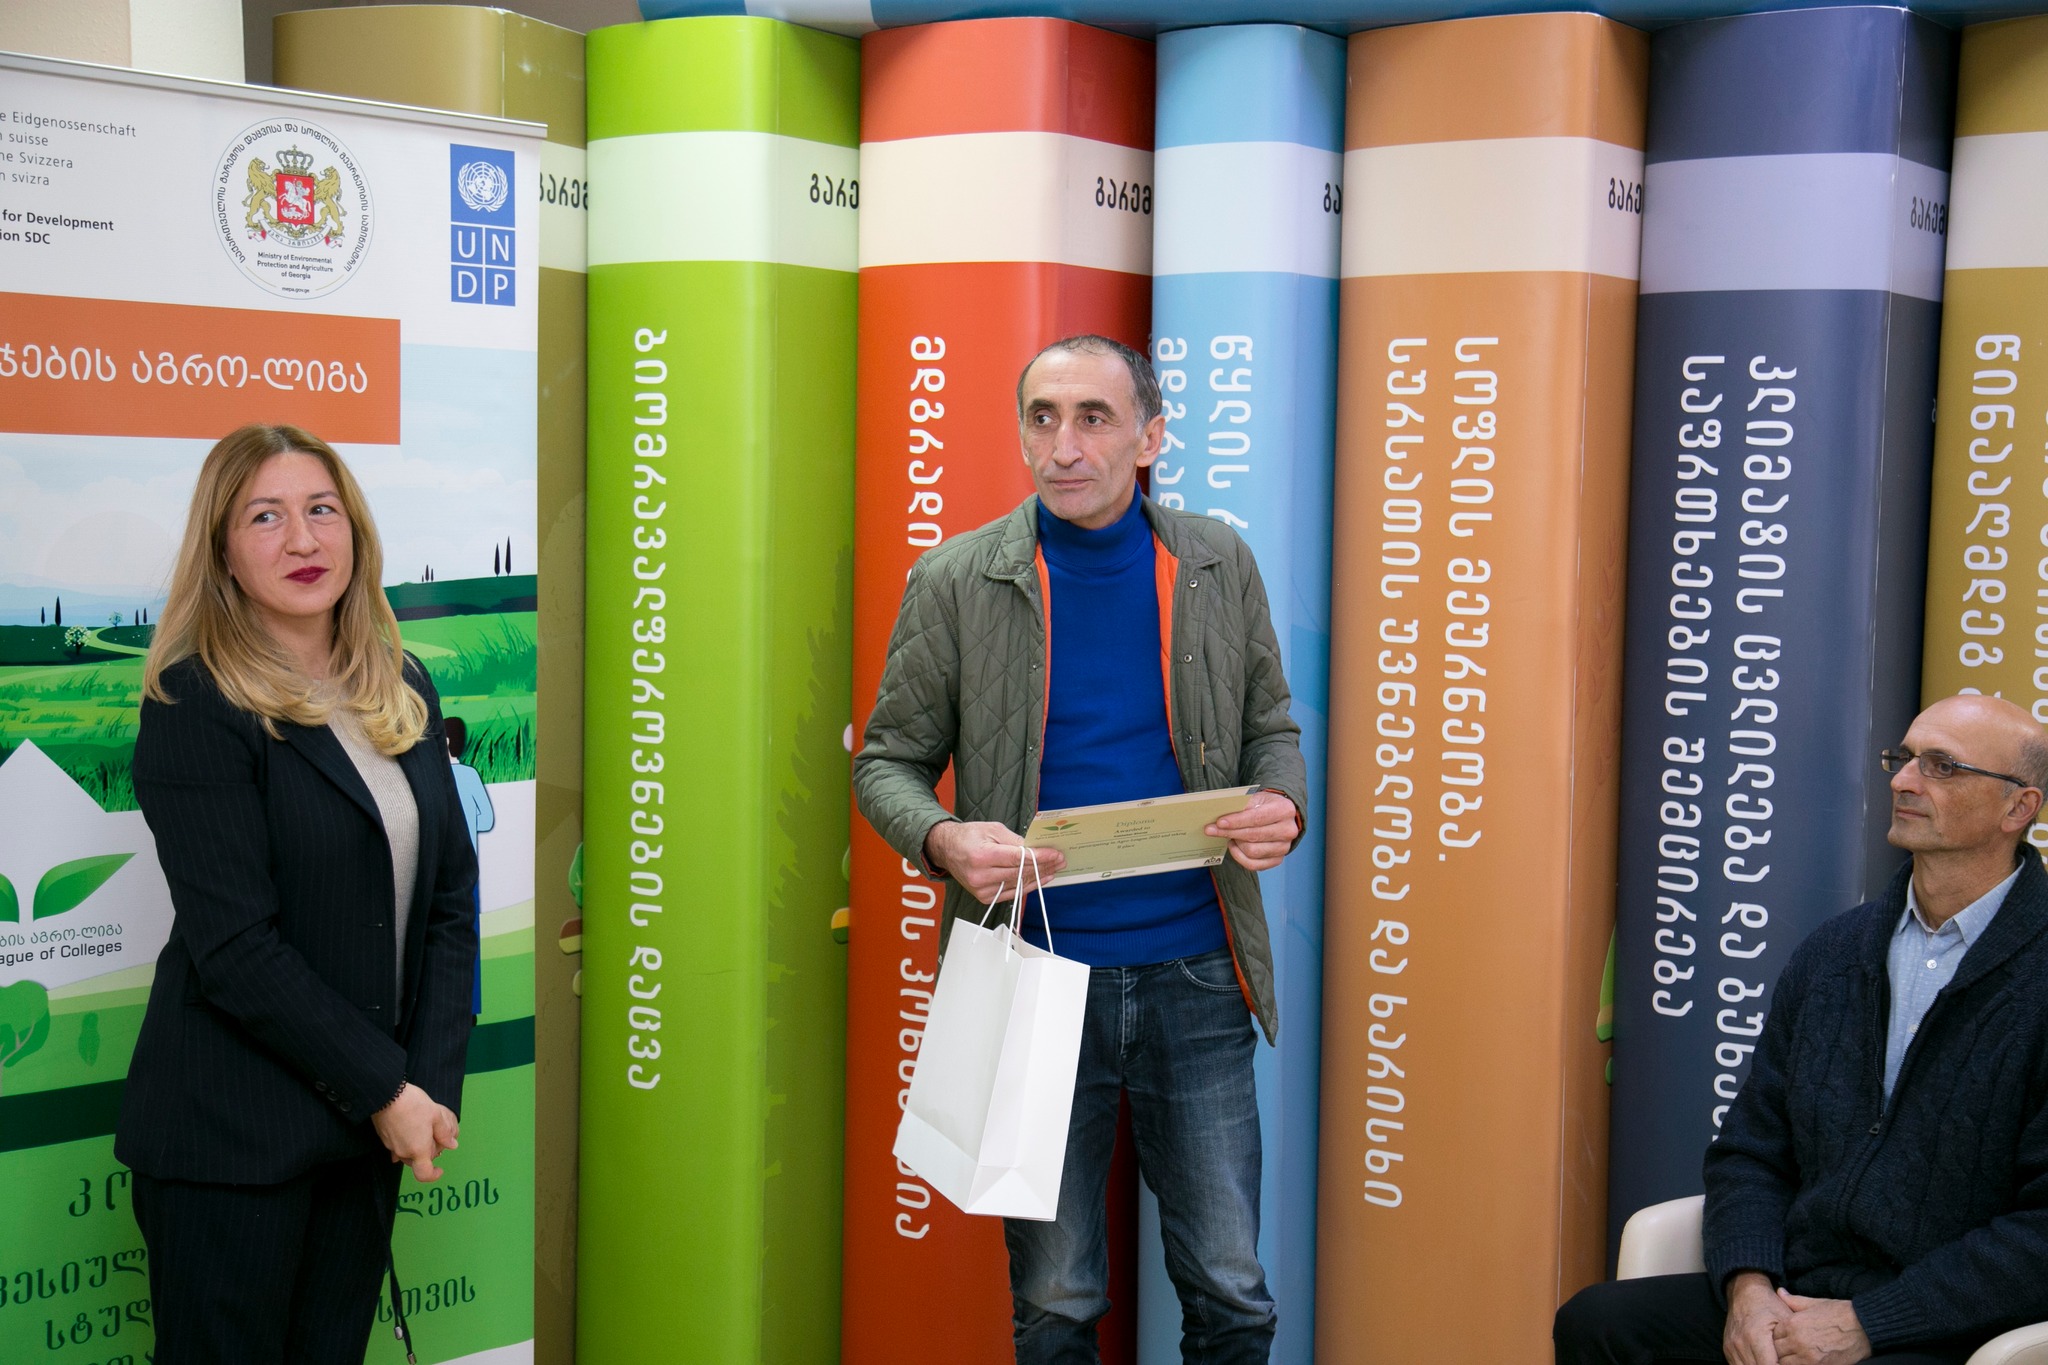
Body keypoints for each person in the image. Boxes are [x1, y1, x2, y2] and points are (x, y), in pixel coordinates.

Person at [854, 334, 1308, 1362]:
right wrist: (939, 836)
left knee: (1232, 1292)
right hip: (1031, 979)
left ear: (1150, 438)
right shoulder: (957, 579)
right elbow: (886, 763)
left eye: (1093, 418)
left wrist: (1280, 800)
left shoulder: (1216, 562)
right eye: (1042, 417)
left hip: (1196, 975)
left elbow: (1270, 727)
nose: (1063, 446)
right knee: (1056, 1300)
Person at [119, 424, 480, 1365]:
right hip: (229, 1145)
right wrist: (387, 1088)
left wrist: (427, 1088)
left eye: (322, 510)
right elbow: (236, 949)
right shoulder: (195, 703)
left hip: (364, 1136)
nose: (303, 539)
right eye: (265, 517)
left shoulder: (402, 684)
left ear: (354, 528)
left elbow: (448, 899)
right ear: (224, 553)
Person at [1555, 693, 2048, 1365]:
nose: (1904, 781)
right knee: (1599, 1323)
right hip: (1794, 1291)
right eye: (1904, 758)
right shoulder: (1834, 952)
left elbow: (2040, 1231)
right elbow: (1750, 1151)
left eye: (1942, 766)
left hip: (1950, 1326)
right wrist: (1749, 1291)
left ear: (2018, 807)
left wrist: (1870, 1321)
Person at [445, 715, 495, 1013]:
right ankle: (471, 1006)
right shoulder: (470, 775)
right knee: (469, 935)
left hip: (442, 868)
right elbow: (486, 819)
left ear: (446, 740)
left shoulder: (437, 777)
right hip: (470, 867)